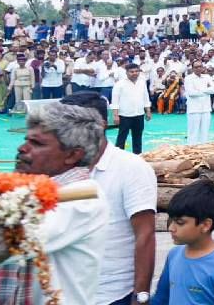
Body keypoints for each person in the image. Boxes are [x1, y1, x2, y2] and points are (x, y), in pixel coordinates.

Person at [0, 103, 109, 305]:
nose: (22, 148)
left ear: (73, 155)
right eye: (25, 140)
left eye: (37, 144)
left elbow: (3, 246)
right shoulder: (22, 189)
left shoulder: (84, 199)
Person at [62, 91, 158, 305]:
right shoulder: (62, 169)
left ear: (101, 125)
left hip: (113, 295)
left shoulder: (131, 168)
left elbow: (145, 235)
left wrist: (140, 296)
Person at [152, 180, 214, 305]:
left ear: (205, 225)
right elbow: (161, 299)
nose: (171, 228)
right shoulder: (174, 255)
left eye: (180, 222)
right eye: (170, 220)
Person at [112, 62, 153, 154]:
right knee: (122, 137)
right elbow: (115, 102)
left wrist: (148, 111)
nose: (135, 73)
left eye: (136, 71)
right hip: (125, 115)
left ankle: (138, 156)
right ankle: (118, 156)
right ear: (126, 72)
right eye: (132, 72)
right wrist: (115, 115)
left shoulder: (142, 83)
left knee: (138, 137)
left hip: (139, 114)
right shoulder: (119, 84)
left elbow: (146, 98)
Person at [184, 61, 214, 145]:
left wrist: (199, 90)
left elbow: (212, 90)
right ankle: (191, 148)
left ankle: (203, 148)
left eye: (200, 66)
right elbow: (191, 93)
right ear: (193, 68)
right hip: (194, 109)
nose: (198, 68)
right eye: (196, 67)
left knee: (205, 131)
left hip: (206, 108)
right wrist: (205, 91)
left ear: (203, 67)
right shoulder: (188, 78)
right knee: (193, 132)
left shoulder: (207, 77)